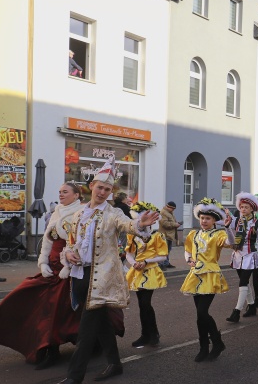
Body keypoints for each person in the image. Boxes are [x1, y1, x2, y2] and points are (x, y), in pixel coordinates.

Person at [0, 182, 118, 369]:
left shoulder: (82, 212)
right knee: (29, 297)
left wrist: (67, 261)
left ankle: (59, 348)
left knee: (58, 310)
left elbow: (82, 242)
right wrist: (42, 262)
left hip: (71, 270)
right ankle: (51, 346)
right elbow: (48, 240)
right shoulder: (57, 211)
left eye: (65, 192)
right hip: (52, 268)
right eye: (59, 192)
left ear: (76, 195)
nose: (60, 194)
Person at [57, 156, 158, 384]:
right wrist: (69, 252)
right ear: (92, 186)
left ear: (111, 192)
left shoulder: (114, 214)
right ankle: (114, 364)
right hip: (80, 275)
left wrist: (141, 224)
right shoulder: (78, 214)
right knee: (102, 323)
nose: (102, 192)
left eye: (107, 189)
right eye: (100, 187)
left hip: (101, 278)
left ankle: (74, 377)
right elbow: (72, 241)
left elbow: (129, 225)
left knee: (86, 330)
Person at [181, 197, 234, 362]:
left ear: (214, 220)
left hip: (210, 274)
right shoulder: (193, 233)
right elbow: (187, 250)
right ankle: (204, 347)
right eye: (202, 218)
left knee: (203, 312)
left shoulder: (218, 234)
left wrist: (228, 228)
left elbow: (230, 243)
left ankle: (217, 342)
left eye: (208, 218)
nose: (204, 221)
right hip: (195, 275)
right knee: (199, 315)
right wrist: (189, 260)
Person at [125, 201, 168, 348]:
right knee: (142, 305)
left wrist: (146, 261)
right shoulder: (133, 235)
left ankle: (152, 334)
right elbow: (129, 253)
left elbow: (163, 256)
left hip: (150, 272)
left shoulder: (157, 236)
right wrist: (134, 263)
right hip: (138, 271)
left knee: (145, 303)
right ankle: (147, 334)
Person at [225, 192, 258, 323]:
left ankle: (237, 311)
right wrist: (227, 228)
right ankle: (251, 306)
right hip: (238, 254)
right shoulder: (236, 221)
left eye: (246, 207)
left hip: (250, 255)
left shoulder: (257, 223)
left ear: (252, 209)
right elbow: (231, 239)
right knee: (244, 283)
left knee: (243, 282)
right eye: (242, 207)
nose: (243, 209)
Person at [158, 201, 181, 269]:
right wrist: (175, 225)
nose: (173, 210)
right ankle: (161, 264)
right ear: (168, 207)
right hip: (164, 234)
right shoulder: (163, 213)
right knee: (163, 250)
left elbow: (171, 222)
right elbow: (164, 224)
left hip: (169, 235)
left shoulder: (169, 213)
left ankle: (166, 263)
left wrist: (176, 223)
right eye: (172, 209)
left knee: (168, 250)